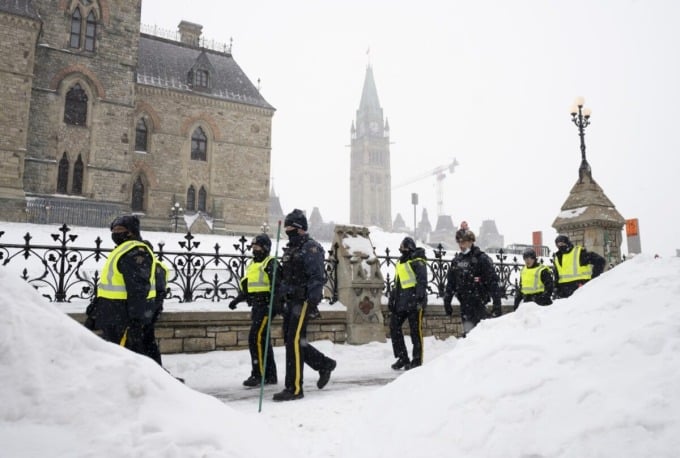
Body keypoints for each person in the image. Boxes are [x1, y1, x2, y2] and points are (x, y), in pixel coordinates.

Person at [273, 209, 336, 402]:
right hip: (290, 302)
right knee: (293, 341)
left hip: (302, 302)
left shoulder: (311, 248)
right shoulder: (290, 249)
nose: (288, 230)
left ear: (300, 228)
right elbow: (288, 277)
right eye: (287, 227)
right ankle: (324, 364)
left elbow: (317, 277)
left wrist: (312, 301)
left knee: (294, 341)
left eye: (291, 227)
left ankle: (294, 388)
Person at [86, 215, 158, 360]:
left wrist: (135, 322)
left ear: (131, 231)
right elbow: (111, 284)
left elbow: (138, 288)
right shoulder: (123, 249)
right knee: (121, 358)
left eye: (120, 229)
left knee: (128, 359)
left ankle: (154, 381)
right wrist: (96, 309)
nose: (115, 233)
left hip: (125, 316)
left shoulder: (135, 252)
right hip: (114, 313)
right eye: (113, 229)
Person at [229, 233, 280, 387]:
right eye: (253, 246)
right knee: (263, 340)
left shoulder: (271, 263)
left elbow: (277, 287)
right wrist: (238, 299)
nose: (254, 249)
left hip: (266, 307)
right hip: (257, 306)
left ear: (264, 248)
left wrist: (274, 305)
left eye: (257, 246)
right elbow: (249, 287)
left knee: (255, 338)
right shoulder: (253, 264)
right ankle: (270, 375)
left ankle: (258, 374)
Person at [443, 229, 502, 336]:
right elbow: (451, 282)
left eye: (464, 242)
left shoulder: (481, 259)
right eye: (459, 242)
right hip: (465, 304)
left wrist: (497, 303)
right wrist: (447, 300)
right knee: (468, 336)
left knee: (481, 336)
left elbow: (492, 281)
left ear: (471, 241)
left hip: (480, 303)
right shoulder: (457, 261)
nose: (461, 245)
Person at [388, 236, 428, 370]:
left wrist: (419, 299)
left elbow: (422, 281)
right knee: (394, 326)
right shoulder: (400, 261)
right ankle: (403, 358)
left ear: (409, 247)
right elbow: (397, 282)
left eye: (403, 246)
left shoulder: (417, 259)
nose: (401, 249)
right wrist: (392, 298)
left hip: (414, 301)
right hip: (401, 301)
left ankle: (417, 360)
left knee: (415, 331)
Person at [142, 240, 169, 366]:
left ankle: (158, 370)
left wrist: (152, 311)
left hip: (148, 310)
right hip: (144, 309)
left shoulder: (155, 266)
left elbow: (160, 291)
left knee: (147, 342)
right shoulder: (146, 265)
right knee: (147, 342)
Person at [552, 234, 605, 299]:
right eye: (558, 245)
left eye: (562, 243)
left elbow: (600, 261)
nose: (561, 246)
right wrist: (556, 288)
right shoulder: (557, 257)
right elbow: (556, 275)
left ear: (567, 243)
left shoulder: (579, 253)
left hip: (580, 288)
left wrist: (594, 278)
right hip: (564, 291)